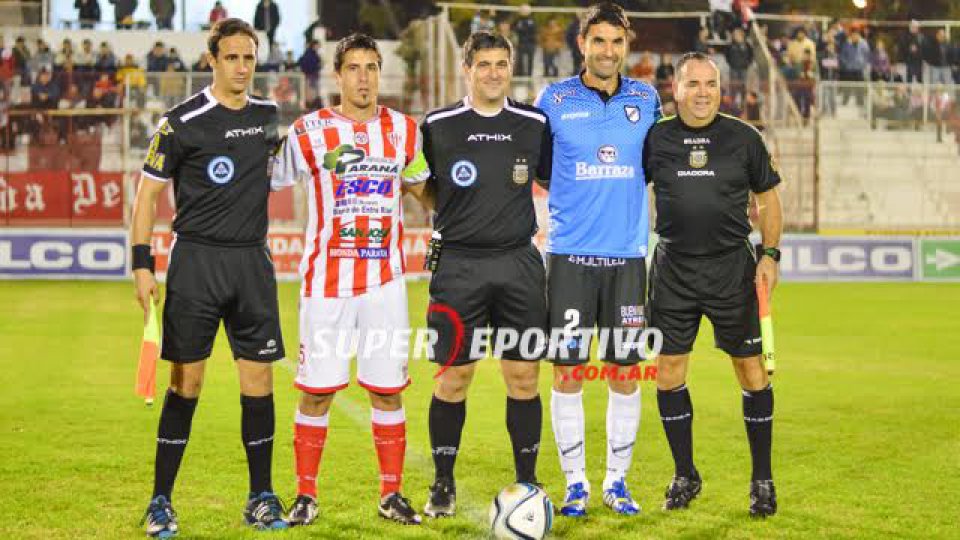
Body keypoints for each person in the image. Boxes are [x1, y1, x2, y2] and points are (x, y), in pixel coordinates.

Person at [130, 18, 288, 538]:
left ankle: (261, 497)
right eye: (232, 58)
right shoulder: (181, 121)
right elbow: (147, 195)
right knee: (186, 384)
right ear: (213, 61)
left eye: (249, 58)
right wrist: (141, 264)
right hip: (196, 263)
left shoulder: (269, 116)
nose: (242, 67)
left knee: (258, 382)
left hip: (252, 264)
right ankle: (160, 501)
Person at [271, 33, 428, 527]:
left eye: (372, 67)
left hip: (385, 283)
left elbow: (426, 191)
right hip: (326, 284)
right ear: (337, 75)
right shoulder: (307, 132)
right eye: (354, 68)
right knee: (316, 391)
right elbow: (264, 181)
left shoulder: (404, 131)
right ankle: (305, 496)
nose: (364, 77)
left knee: (388, 390)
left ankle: (391, 494)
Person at [533, 2, 661, 518]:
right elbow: (541, 169)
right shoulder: (554, 100)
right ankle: (575, 483)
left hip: (628, 257)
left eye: (617, 42)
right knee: (567, 371)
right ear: (582, 43)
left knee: (625, 372)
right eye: (599, 41)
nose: (608, 51)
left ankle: (616, 481)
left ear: (626, 46)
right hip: (568, 257)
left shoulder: (646, 99)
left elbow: (653, 168)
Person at [643, 51, 783, 518]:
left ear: (720, 89)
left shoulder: (744, 137)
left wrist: (770, 254)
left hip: (732, 271)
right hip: (673, 269)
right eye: (693, 84)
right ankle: (685, 474)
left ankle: (762, 479)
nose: (702, 92)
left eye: (711, 84)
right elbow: (624, 188)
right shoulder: (656, 137)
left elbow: (767, 198)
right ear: (676, 89)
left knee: (751, 373)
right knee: (668, 371)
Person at [419, 30, 551, 519]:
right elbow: (421, 187)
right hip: (458, 265)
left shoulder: (534, 123)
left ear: (510, 67)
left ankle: (527, 482)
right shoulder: (438, 125)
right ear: (467, 68)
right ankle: (443, 483)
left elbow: (550, 178)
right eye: (484, 64)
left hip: (518, 262)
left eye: (502, 64)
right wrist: (455, 216)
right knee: (454, 377)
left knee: (523, 376)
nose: (494, 73)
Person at [513, 4, 536, 77]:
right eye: (523, 10)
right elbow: (514, 28)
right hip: (521, 43)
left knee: (530, 60)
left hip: (530, 43)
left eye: (525, 10)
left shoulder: (532, 20)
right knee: (520, 60)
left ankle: (529, 75)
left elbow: (534, 31)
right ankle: (521, 75)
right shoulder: (518, 20)